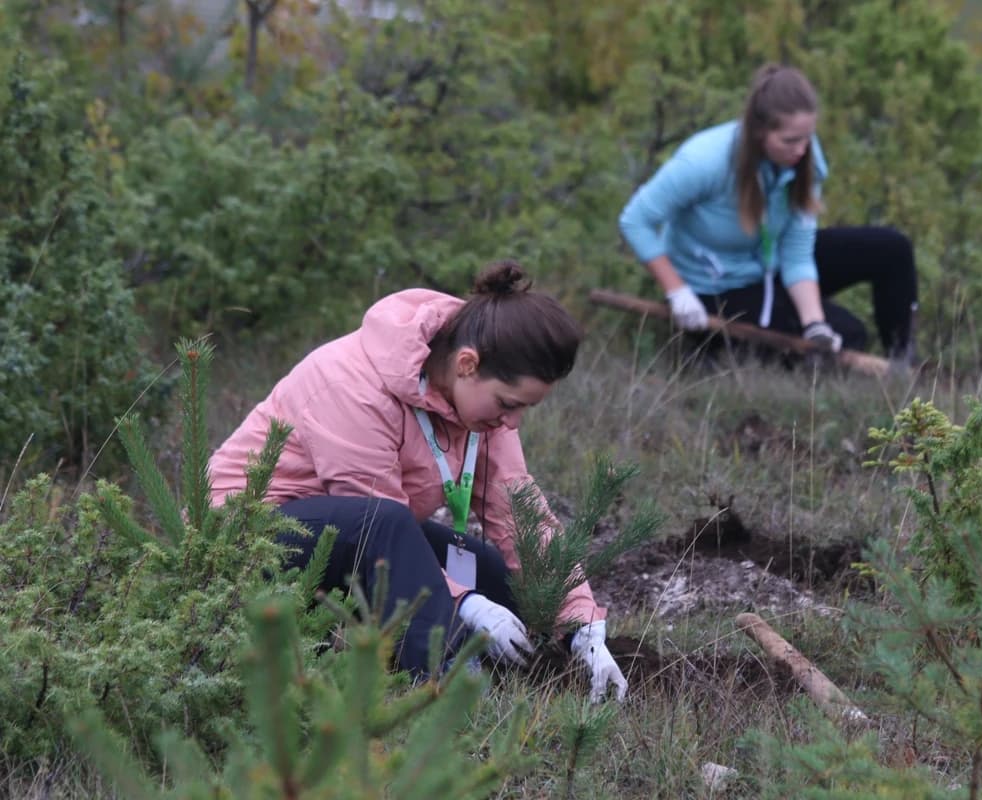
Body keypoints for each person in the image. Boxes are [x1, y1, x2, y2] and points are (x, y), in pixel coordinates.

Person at [207, 260, 627, 703]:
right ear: (467, 363)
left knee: (484, 565)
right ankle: (445, 687)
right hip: (249, 542)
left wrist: (581, 624)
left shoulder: (481, 411)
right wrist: (463, 603)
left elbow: (518, 513)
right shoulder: (352, 385)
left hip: (352, 537)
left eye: (525, 408)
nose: (513, 421)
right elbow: (371, 526)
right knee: (391, 527)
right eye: (508, 403)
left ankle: (556, 666)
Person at [619, 63, 919, 364]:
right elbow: (635, 220)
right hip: (713, 286)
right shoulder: (704, 162)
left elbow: (797, 253)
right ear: (760, 132)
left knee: (891, 249)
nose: (802, 150)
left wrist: (814, 325)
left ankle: (904, 366)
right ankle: (710, 352)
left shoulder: (804, 161)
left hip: (768, 263)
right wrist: (678, 291)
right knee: (851, 333)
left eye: (807, 138)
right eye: (790, 140)